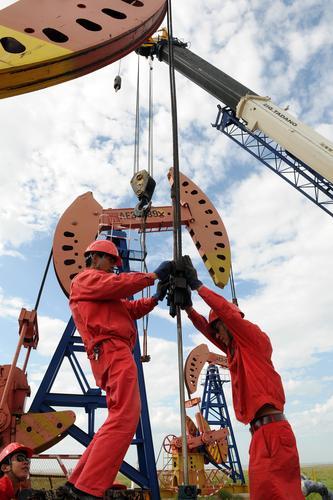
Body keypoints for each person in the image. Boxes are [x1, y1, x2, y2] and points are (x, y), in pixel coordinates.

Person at [182, 255, 304, 500]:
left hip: (274, 434)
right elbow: (208, 329)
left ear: (229, 324)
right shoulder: (235, 351)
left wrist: (197, 286)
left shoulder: (253, 339)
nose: (218, 335)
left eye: (220, 329)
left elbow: (226, 314)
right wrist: (187, 308)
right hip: (260, 435)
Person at [63, 239, 172, 499]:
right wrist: (153, 275)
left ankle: (77, 482)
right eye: (112, 261)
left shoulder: (104, 294)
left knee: (116, 418)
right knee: (126, 417)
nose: (114, 268)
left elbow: (130, 308)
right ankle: (87, 489)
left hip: (111, 352)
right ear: (96, 257)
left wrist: (156, 296)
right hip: (112, 350)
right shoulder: (86, 279)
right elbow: (119, 284)